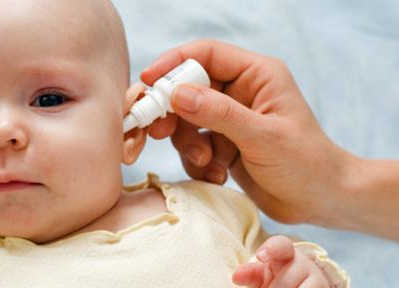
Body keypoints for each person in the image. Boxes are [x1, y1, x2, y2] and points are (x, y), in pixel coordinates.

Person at [0, 0, 350, 288]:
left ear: (129, 128)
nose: (0, 133)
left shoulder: (215, 212)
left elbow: (297, 281)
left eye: (48, 99)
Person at [141, 40, 399, 242]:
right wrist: (334, 187)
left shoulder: (198, 217)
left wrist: (300, 286)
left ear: (130, 139)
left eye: (96, 90)